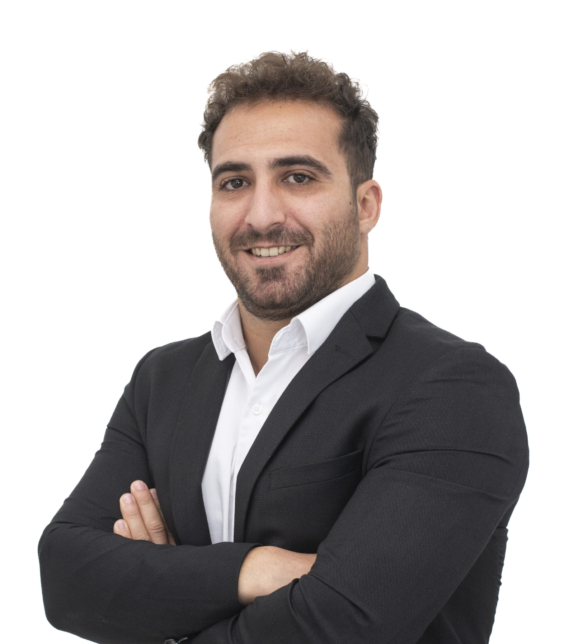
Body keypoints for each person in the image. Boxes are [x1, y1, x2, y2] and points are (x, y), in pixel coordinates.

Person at [38, 51, 529, 644]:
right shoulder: (163, 380)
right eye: (235, 182)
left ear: (366, 205)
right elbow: (65, 578)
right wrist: (258, 569)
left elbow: (344, 625)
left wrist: (159, 596)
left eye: (298, 177)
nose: (261, 215)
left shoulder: (452, 386)